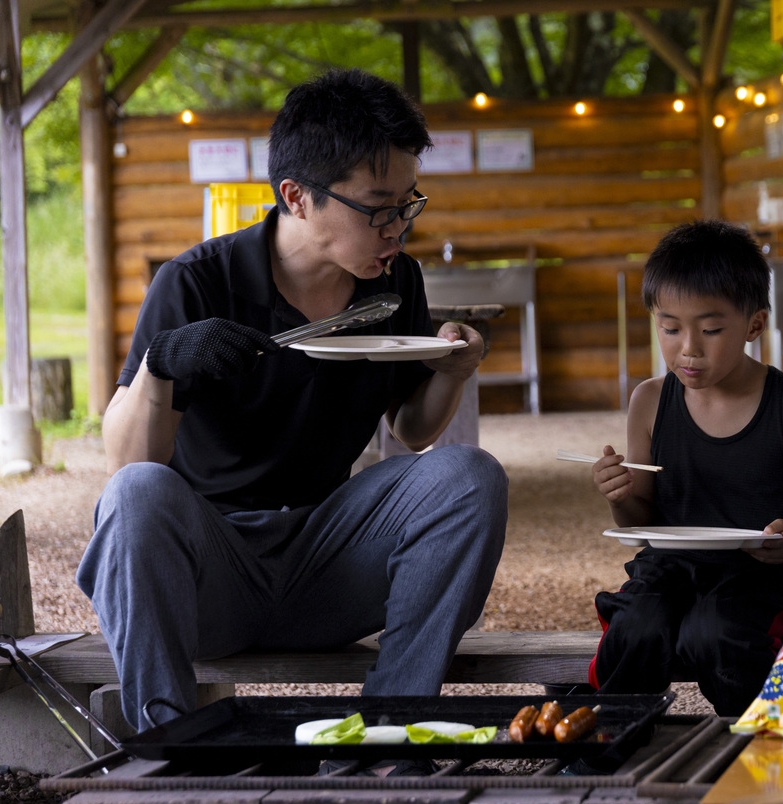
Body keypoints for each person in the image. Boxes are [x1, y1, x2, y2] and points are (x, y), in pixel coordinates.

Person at [75, 69, 509, 744]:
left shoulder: (394, 283)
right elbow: (129, 465)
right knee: (136, 494)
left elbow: (413, 431)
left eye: (407, 203)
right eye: (377, 207)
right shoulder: (195, 282)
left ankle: (386, 735)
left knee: (470, 476)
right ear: (297, 197)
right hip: (210, 576)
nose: (397, 226)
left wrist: (453, 371)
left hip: (326, 562)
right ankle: (173, 745)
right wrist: (163, 365)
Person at [587, 220, 783, 716]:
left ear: (753, 325)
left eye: (710, 330)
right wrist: (619, 494)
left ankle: (753, 744)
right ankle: (612, 741)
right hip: (667, 568)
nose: (688, 348)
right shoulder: (650, 402)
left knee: (718, 632)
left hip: (760, 576)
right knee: (638, 626)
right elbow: (639, 522)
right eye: (669, 328)